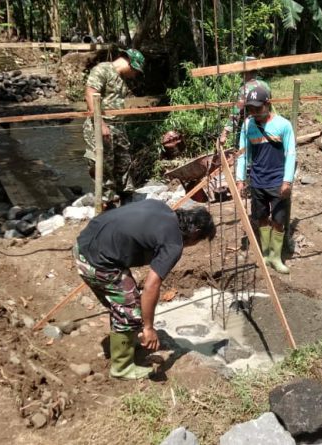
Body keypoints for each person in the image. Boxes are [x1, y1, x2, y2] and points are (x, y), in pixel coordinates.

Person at [74, 200, 216, 379]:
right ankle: (122, 368)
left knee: (125, 303)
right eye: (200, 240)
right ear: (195, 233)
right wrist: (148, 328)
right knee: (130, 307)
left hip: (85, 243)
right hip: (96, 261)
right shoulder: (173, 243)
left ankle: (126, 340)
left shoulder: (161, 207)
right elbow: (151, 286)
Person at [235, 85, 296, 274]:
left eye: (258, 108)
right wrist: (240, 179)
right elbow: (243, 154)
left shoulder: (283, 125)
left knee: (278, 220)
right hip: (257, 180)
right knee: (261, 217)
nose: (254, 113)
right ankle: (266, 253)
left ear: (268, 104)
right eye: (250, 109)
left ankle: (276, 257)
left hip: (278, 181)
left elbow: (291, 153)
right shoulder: (248, 126)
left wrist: (287, 181)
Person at [83, 46, 146, 208]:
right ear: (130, 64)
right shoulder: (102, 70)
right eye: (135, 71)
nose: (135, 75)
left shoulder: (121, 79)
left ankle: (125, 199)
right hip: (100, 125)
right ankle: (107, 202)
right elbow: (90, 95)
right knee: (103, 164)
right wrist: (101, 124)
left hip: (118, 127)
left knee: (123, 163)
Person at [218, 57, 271, 146]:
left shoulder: (244, 89)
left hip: (249, 130)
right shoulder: (265, 86)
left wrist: (225, 133)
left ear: (246, 72)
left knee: (243, 151)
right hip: (266, 128)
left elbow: (236, 112)